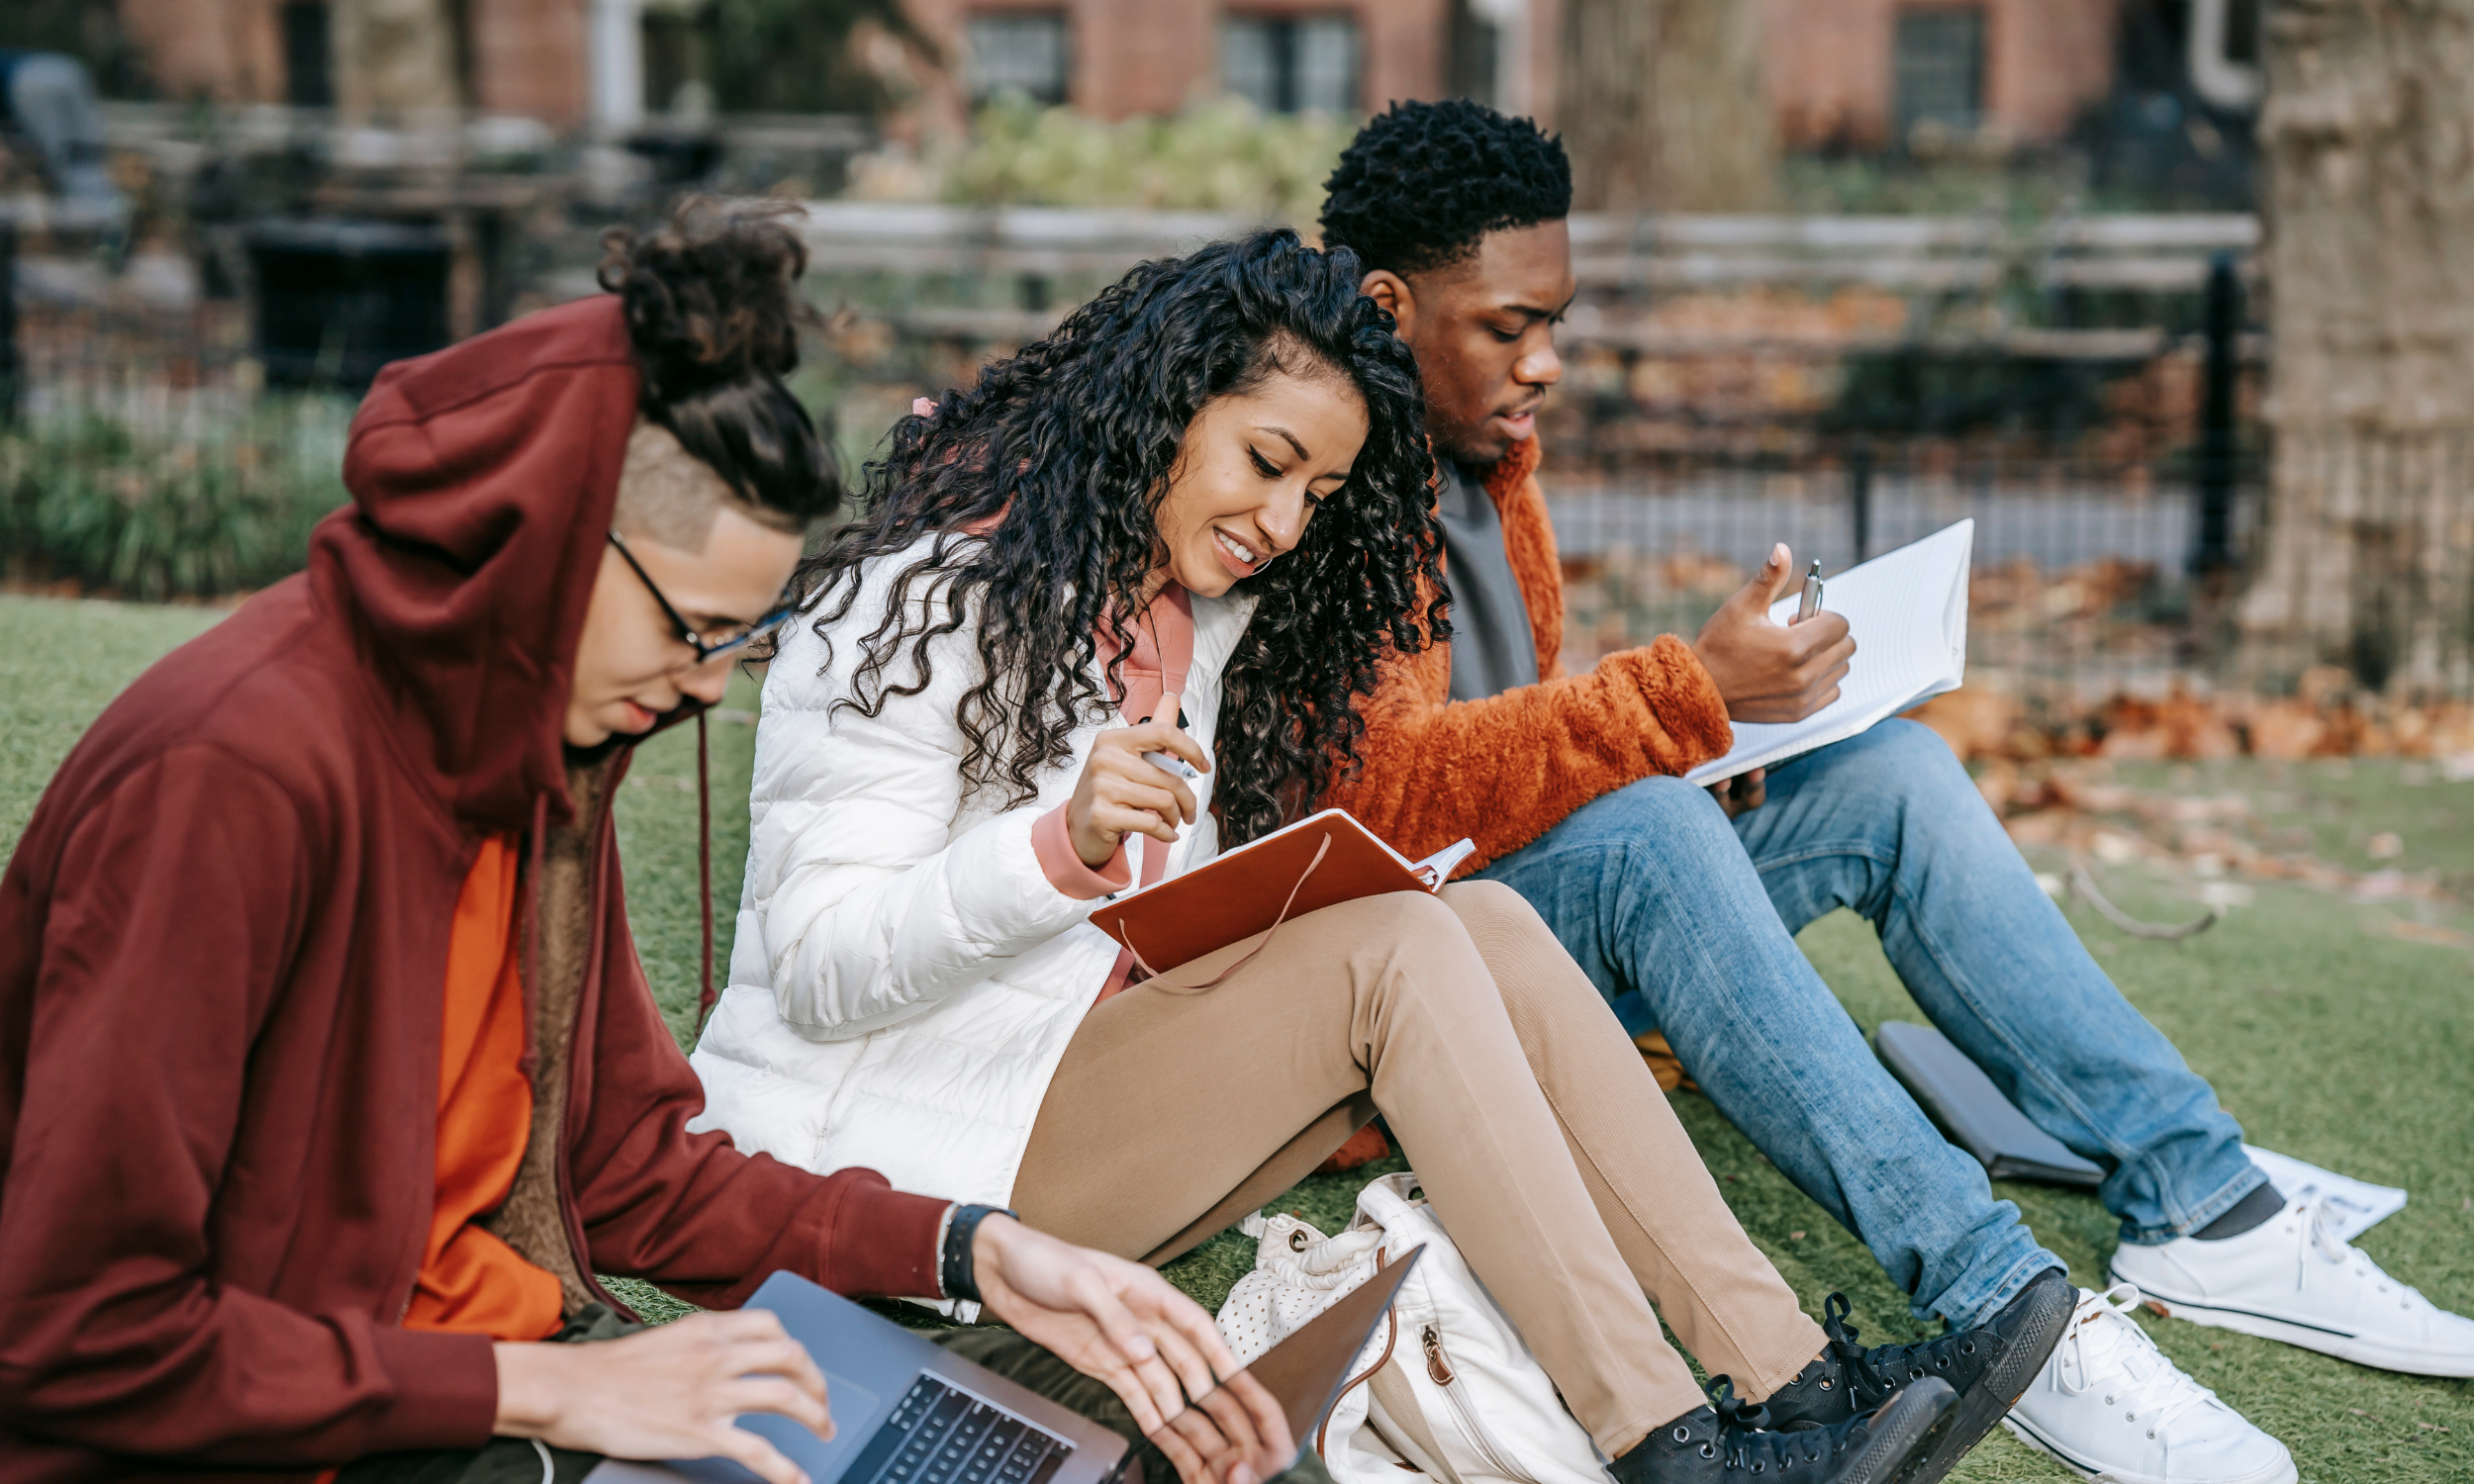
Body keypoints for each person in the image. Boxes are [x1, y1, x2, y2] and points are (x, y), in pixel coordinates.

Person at [0, 201, 1295, 1484]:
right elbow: (75, 1328)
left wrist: (966, 1248)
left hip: (475, 1396)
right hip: (311, 1440)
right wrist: (546, 1387)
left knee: (1105, 1440)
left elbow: (624, 1169)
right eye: (691, 631)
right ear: (545, 547)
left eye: (731, 644)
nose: (701, 689)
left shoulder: (536, 759)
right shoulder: (230, 776)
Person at [691, 228, 1983, 1484]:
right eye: (1265, 459)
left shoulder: (1176, 617)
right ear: (1161, 405)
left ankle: (1786, 1379)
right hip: (879, 1181)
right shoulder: (921, 597)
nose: (1283, 519)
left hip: (1034, 1102)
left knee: (1481, 925)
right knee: (1398, 949)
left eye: (1317, 492)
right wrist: (1057, 848)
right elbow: (817, 971)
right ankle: (1668, 1446)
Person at [1314, 98, 2474, 1484]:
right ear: (1387, 305)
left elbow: (1502, 737)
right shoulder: (1316, 476)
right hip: (1414, 996)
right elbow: (1377, 796)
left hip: (1533, 909)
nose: (1548, 361)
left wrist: (1705, 738)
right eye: (1511, 325)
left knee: (1893, 776)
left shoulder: (1486, 455)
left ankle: (2207, 1205)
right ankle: (2013, 1315)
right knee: (1646, 831)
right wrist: (1682, 701)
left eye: (1557, 320)